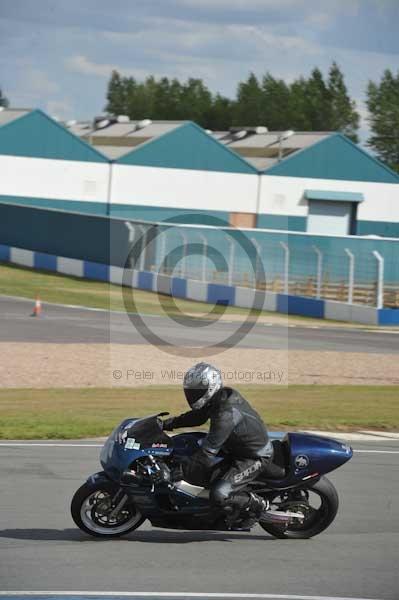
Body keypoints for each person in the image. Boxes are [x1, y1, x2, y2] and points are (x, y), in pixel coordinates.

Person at [163, 362, 273, 526]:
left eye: (197, 391)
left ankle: (258, 504)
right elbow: (197, 417)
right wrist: (165, 424)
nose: (192, 394)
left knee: (219, 494)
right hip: (234, 449)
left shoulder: (225, 414)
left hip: (253, 457)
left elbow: (207, 453)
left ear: (210, 388)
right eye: (191, 391)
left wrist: (180, 471)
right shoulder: (218, 398)